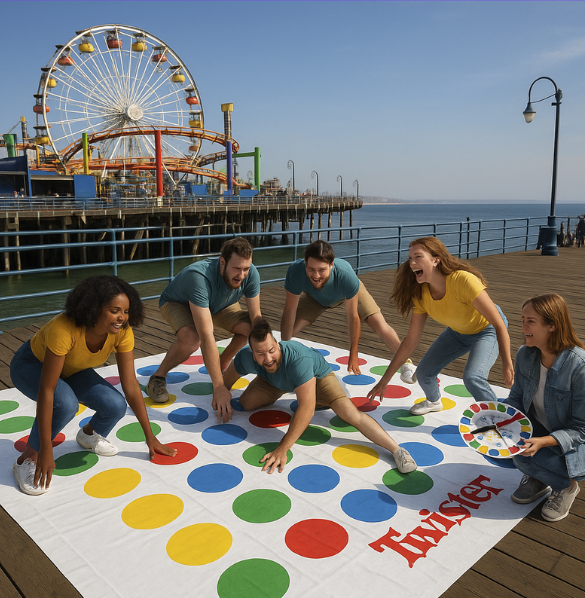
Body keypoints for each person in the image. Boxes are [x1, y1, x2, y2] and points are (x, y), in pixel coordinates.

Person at [10, 276, 177, 496]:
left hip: (71, 369)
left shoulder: (123, 332)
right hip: (31, 365)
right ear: (93, 308)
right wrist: (46, 450)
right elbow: (47, 391)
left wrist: (150, 437)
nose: (122, 318)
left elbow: (131, 386)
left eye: (126, 311)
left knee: (115, 404)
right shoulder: (64, 328)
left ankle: (88, 434)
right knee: (66, 403)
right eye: (115, 310)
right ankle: (28, 458)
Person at [223, 319, 417, 475]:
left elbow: (306, 407)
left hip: (318, 377)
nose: (267, 359)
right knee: (246, 403)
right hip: (276, 381)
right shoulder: (245, 357)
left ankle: (397, 450)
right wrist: (220, 392)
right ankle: (296, 388)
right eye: (260, 354)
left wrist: (282, 448)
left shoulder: (299, 359)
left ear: (277, 344)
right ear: (251, 352)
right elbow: (224, 383)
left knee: (347, 413)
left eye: (272, 350)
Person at [367, 237, 514, 414]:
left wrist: (507, 363)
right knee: (423, 373)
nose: (412, 263)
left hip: (486, 330)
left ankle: (499, 417)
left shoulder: (463, 281)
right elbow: (411, 340)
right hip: (457, 332)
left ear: (436, 260)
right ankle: (433, 402)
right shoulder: (421, 293)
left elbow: (498, 324)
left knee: (473, 378)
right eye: (410, 258)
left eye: (418, 257)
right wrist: (384, 381)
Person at [147, 237, 261, 423]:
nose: (241, 275)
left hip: (219, 304)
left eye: (246, 269)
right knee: (192, 340)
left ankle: (221, 363)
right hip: (178, 303)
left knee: (250, 327)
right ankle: (158, 376)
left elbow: (257, 318)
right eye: (236, 269)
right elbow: (207, 336)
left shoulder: (251, 273)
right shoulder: (198, 276)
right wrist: (218, 387)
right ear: (222, 262)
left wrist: (272, 357)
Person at [281, 240, 417, 382]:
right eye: (311, 269)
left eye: (322, 270)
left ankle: (406, 363)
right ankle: (285, 360)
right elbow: (289, 310)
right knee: (289, 331)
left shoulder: (345, 275)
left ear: (331, 265)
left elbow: (353, 317)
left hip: (345, 293)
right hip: (315, 297)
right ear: (305, 263)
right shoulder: (295, 271)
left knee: (378, 323)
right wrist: (284, 350)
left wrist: (353, 354)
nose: (316, 275)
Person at [505, 294, 584, 522]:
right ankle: (538, 478)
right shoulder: (525, 354)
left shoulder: (579, 367)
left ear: (552, 325)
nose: (523, 326)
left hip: (573, 443)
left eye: (531, 321)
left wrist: (543, 442)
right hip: (542, 428)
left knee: (521, 457)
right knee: (496, 442)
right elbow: (517, 399)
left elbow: (582, 430)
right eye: (522, 319)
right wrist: (496, 422)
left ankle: (567, 486)